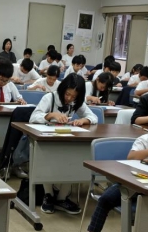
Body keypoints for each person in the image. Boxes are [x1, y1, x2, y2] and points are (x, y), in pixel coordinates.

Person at [30, 74, 97, 215]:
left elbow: (93, 117)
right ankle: (48, 195)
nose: (69, 99)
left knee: (74, 159)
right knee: (46, 159)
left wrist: (83, 120)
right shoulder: (50, 98)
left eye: (74, 97)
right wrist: (51, 115)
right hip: (47, 140)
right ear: (62, 89)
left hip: (67, 139)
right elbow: (33, 117)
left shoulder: (76, 102)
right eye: (67, 94)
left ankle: (62, 198)